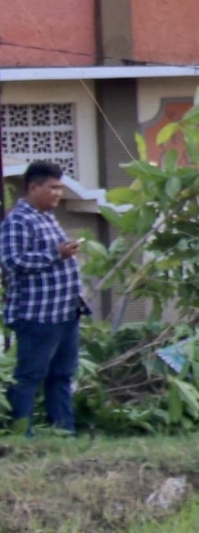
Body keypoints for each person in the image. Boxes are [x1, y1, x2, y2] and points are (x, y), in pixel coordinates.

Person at [3, 161, 87, 435]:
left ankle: (64, 432)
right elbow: (13, 261)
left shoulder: (47, 217)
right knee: (29, 376)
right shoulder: (19, 220)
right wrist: (56, 254)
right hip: (38, 315)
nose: (58, 194)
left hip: (64, 312)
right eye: (52, 188)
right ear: (33, 187)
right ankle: (21, 433)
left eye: (60, 188)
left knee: (61, 375)